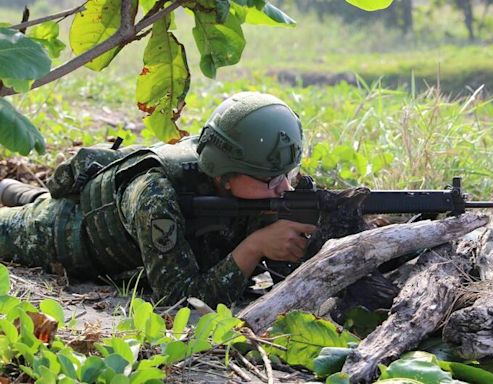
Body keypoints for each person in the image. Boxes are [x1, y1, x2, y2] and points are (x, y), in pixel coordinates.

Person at [0, 92, 318, 306]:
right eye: (270, 180)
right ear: (224, 173)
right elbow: (179, 299)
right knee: (25, 221)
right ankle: (28, 203)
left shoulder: (260, 172)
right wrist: (255, 247)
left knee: (37, 199)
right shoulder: (158, 198)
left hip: (125, 213)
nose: (284, 189)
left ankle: (20, 192)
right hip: (70, 233)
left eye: (289, 174)